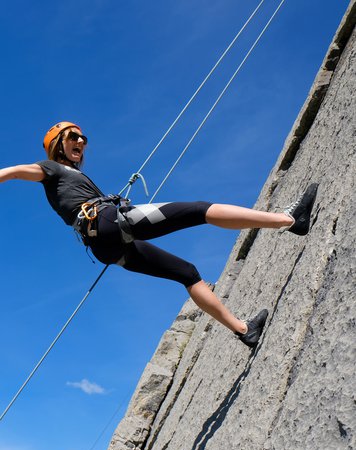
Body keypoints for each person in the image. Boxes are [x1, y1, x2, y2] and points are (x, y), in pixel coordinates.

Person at [0, 121, 318, 347]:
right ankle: (288, 219)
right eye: (73, 137)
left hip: (105, 247)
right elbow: (14, 172)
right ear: (58, 144)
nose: (81, 142)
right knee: (198, 209)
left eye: (83, 138)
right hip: (109, 222)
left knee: (187, 273)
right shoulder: (51, 168)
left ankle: (243, 330)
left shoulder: (74, 177)